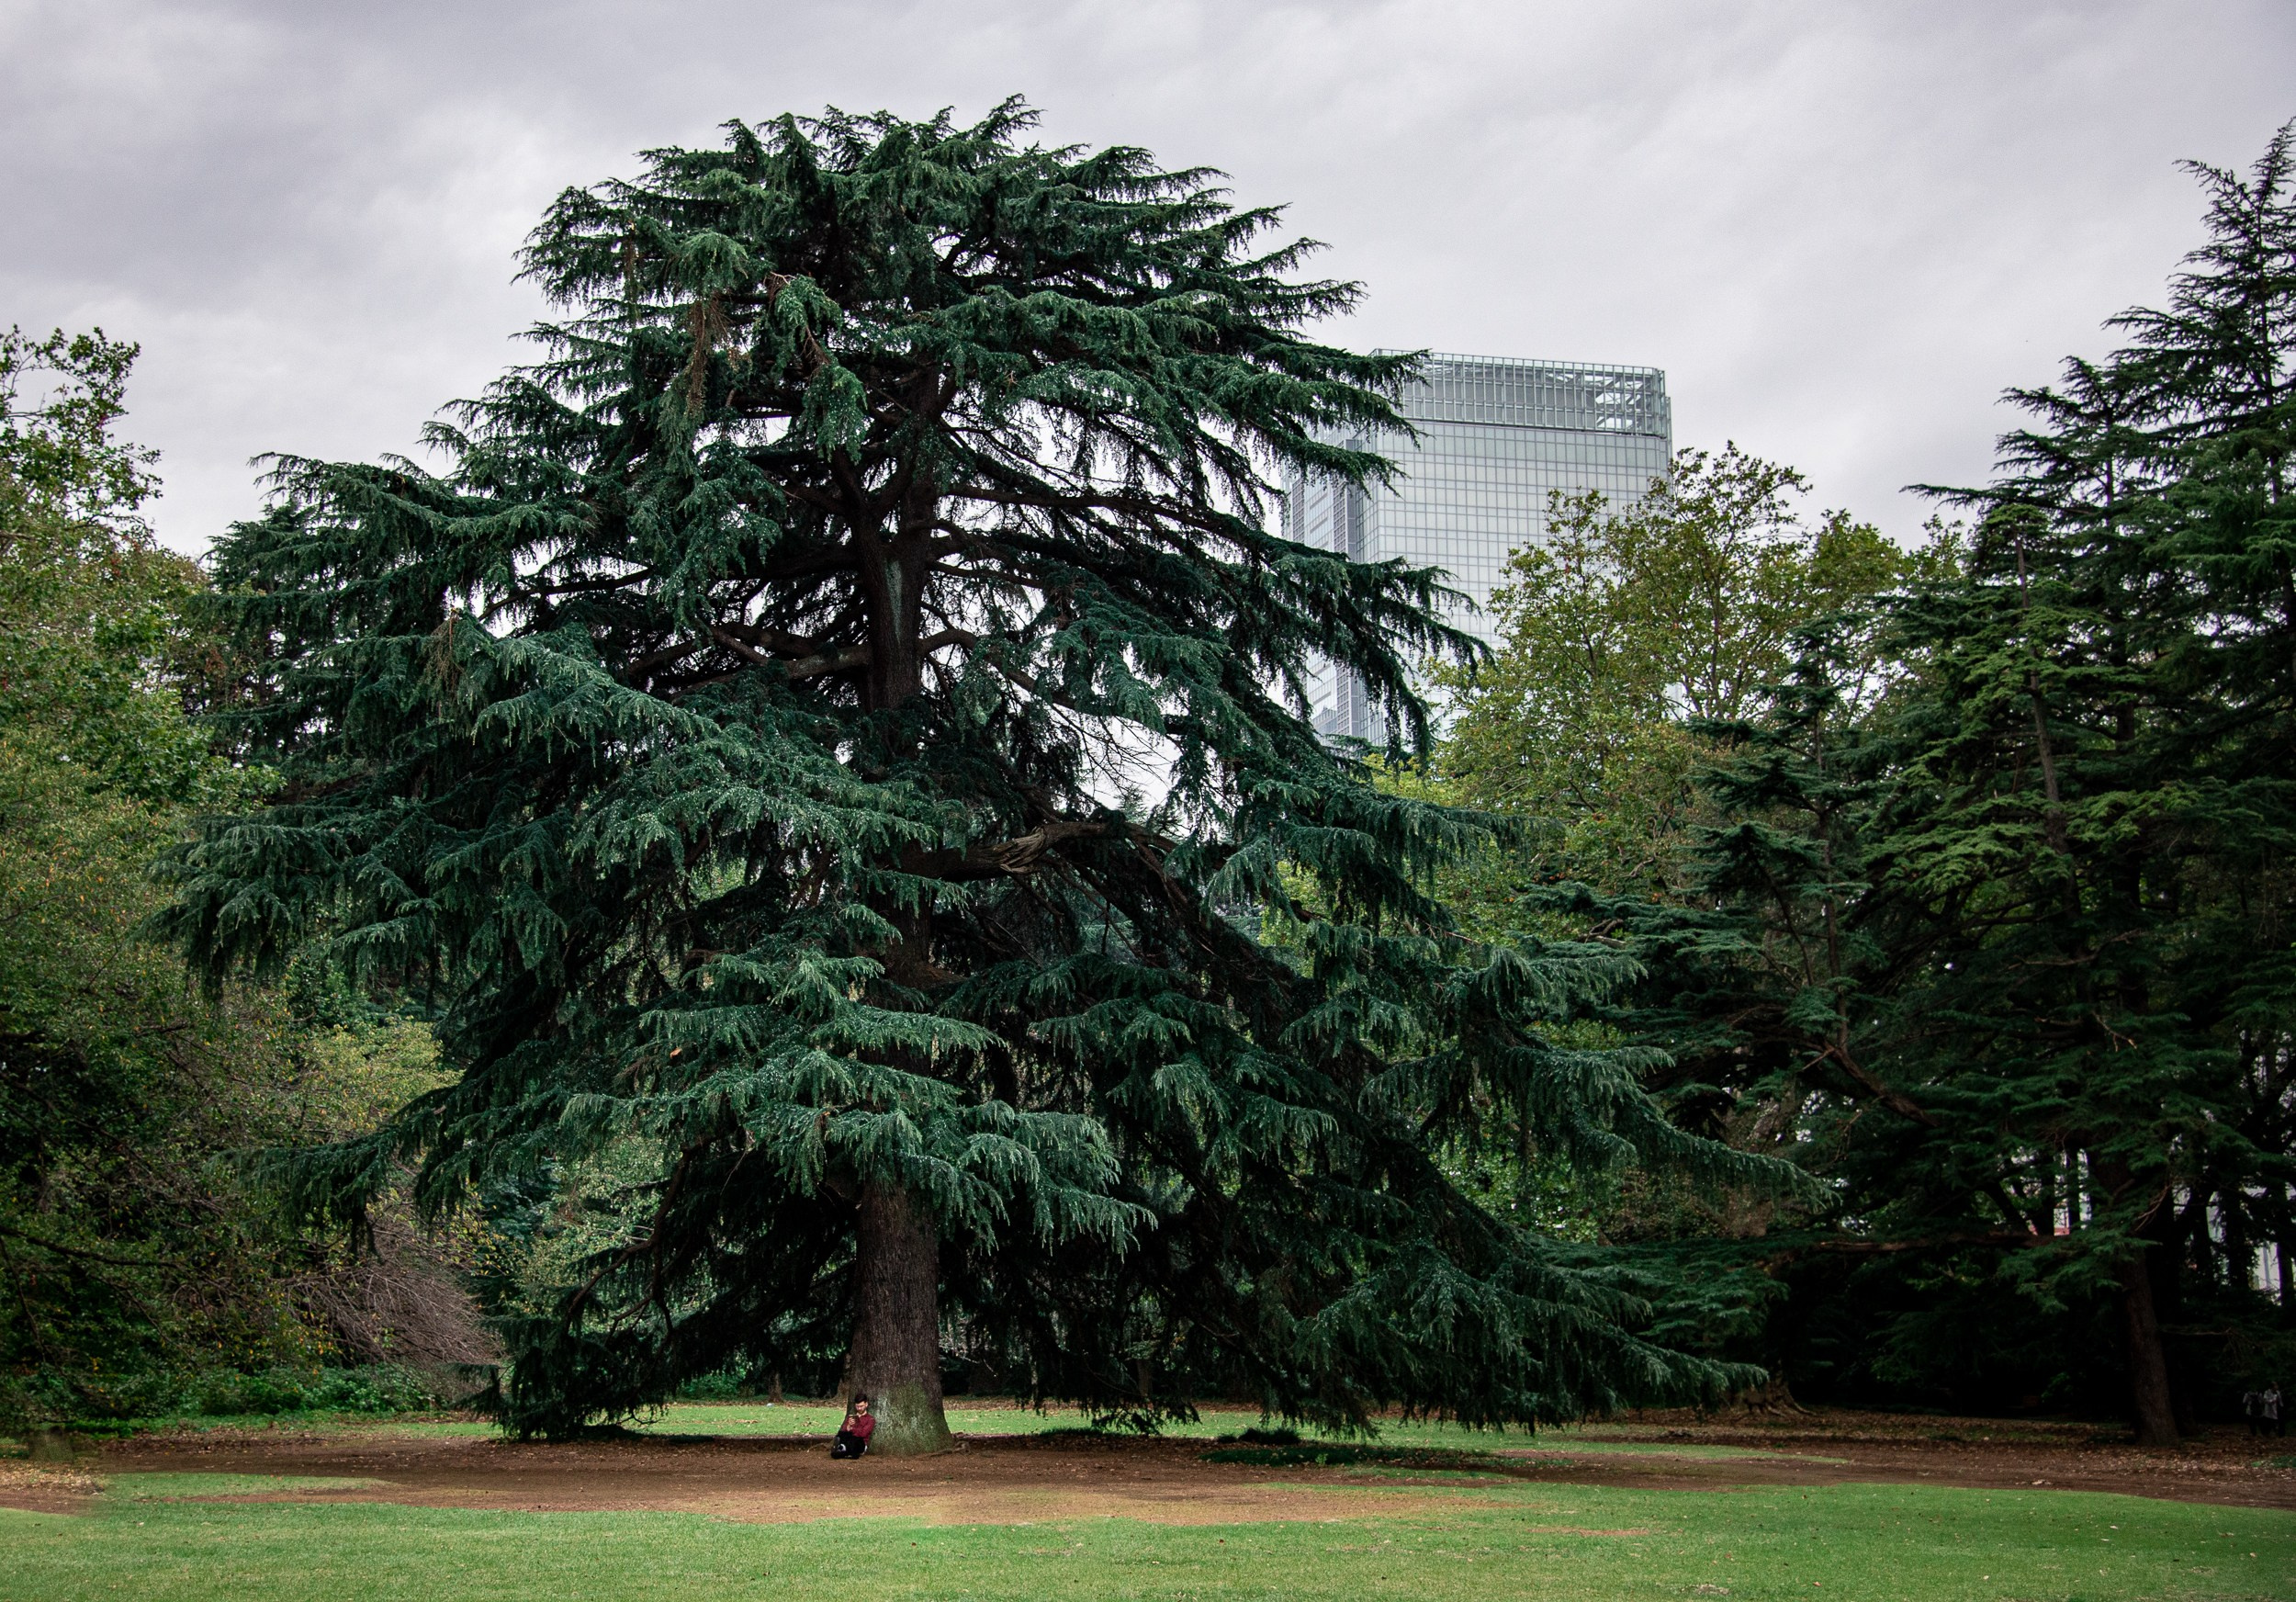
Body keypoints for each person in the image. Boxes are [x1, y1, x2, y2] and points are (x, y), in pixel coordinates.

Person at [831, 1393, 875, 1459]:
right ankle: (843, 1449)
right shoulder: (851, 1417)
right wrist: (848, 1426)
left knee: (855, 1440)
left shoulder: (870, 1419)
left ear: (866, 1404)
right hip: (848, 1439)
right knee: (842, 1434)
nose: (859, 1408)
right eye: (857, 1406)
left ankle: (843, 1449)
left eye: (861, 1406)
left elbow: (863, 1434)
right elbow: (843, 1430)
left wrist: (852, 1429)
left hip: (860, 1443)